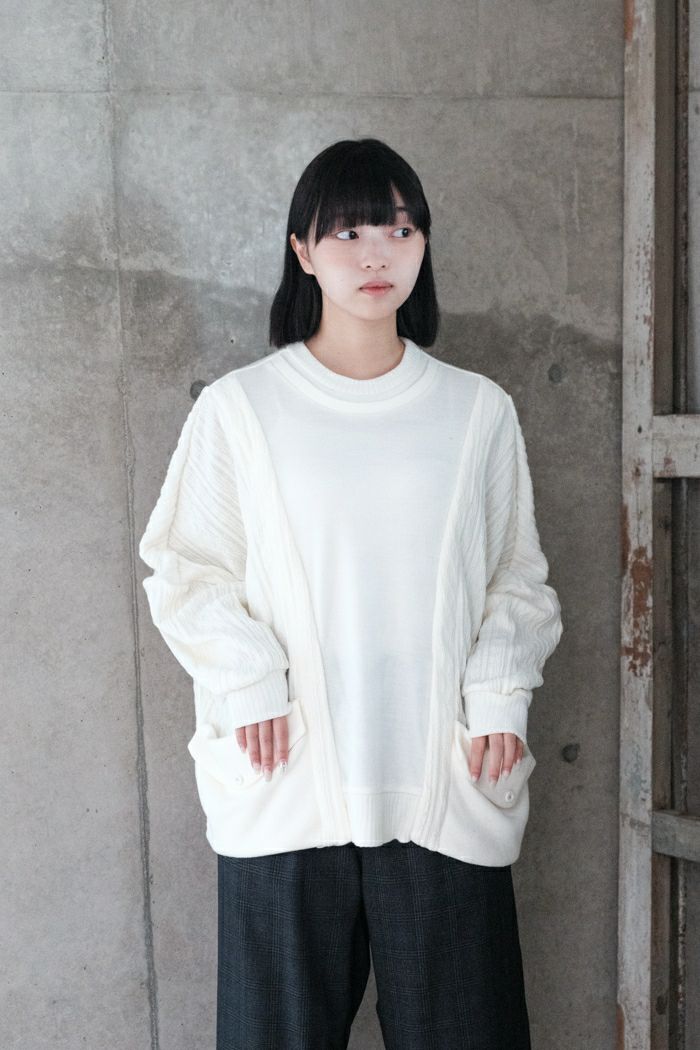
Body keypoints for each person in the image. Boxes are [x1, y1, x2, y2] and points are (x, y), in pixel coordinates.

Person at [139, 137, 564, 1050]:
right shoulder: (241, 410)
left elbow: (515, 577)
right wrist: (249, 680)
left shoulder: (476, 410)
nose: (378, 254)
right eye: (350, 232)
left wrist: (500, 697)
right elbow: (186, 566)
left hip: (445, 782)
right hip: (286, 782)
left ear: (423, 245)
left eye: (401, 230)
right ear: (302, 249)